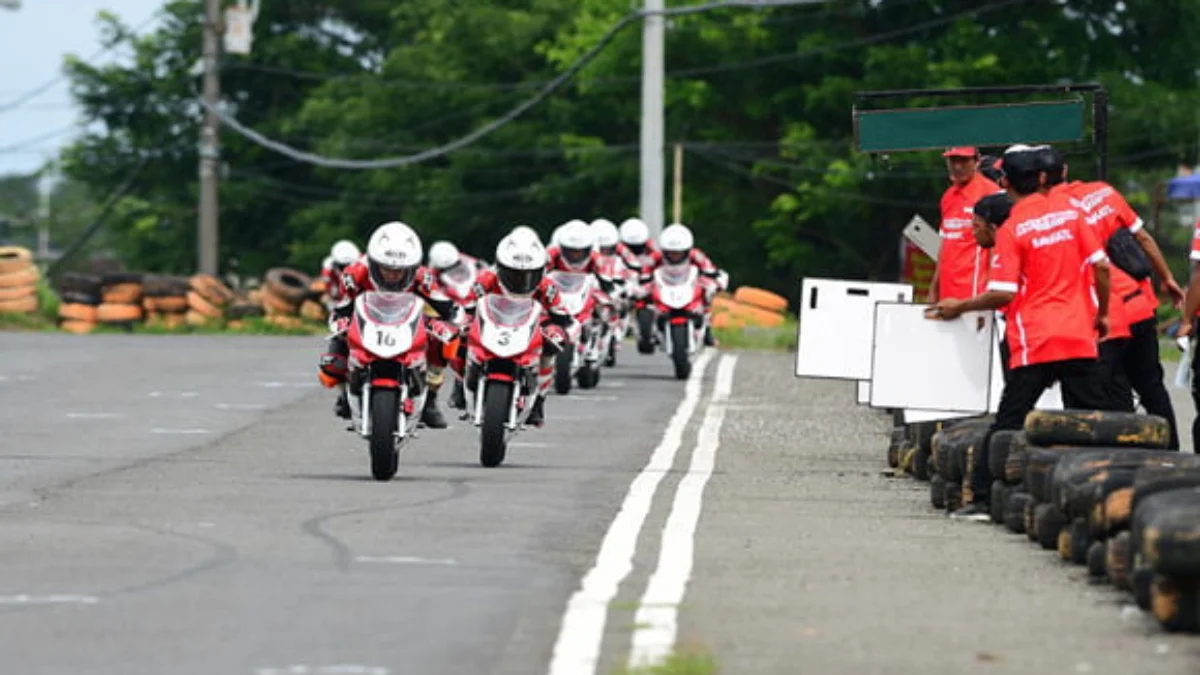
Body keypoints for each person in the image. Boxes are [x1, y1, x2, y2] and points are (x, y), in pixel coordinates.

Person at [929, 144, 1118, 520]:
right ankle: (1101, 499)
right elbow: (1102, 269)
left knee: (1009, 421)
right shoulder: (1072, 214)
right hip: (1078, 336)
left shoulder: (1013, 227)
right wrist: (1104, 315)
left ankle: (980, 500)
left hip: (1036, 342)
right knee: (1095, 420)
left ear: (1004, 181)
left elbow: (1004, 293)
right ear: (1044, 177)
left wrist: (960, 305)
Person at [1040, 147, 1184, 447]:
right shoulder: (1103, 192)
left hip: (1105, 317)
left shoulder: (1053, 213)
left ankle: (1123, 459)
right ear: (1064, 171)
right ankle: (1171, 451)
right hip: (1141, 305)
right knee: (1151, 386)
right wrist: (1168, 278)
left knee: (1112, 392)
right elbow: (1143, 238)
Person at [318, 221, 459, 430]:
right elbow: (343, 308)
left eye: (400, 270)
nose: (393, 275)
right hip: (367, 319)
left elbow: (448, 307)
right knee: (331, 363)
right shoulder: (354, 274)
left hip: (409, 319)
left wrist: (456, 324)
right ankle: (346, 392)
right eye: (386, 269)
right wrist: (339, 324)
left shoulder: (424, 277)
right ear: (374, 263)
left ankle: (429, 399)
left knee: (446, 340)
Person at [463, 227, 579, 427]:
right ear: (500, 267)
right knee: (459, 336)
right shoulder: (486, 280)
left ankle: (539, 399)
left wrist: (564, 329)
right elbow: (466, 307)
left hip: (530, 327)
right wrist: (463, 322)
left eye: (528, 275)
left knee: (554, 341)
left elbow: (562, 315)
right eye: (513, 275)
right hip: (493, 324)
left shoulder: (547, 287)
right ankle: (461, 383)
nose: (520, 281)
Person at [928, 147, 1002, 304]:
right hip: (947, 294)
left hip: (974, 294)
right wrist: (934, 288)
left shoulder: (990, 193)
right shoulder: (948, 196)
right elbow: (945, 245)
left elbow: (997, 247)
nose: (957, 166)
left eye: (963, 160)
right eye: (953, 160)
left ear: (976, 161)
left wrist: (989, 297)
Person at [639, 222, 722, 347]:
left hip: (688, 285)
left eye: (678, 253)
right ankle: (650, 332)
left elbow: (709, 268)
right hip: (665, 286)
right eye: (671, 252)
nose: (674, 256)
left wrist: (714, 279)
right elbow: (645, 271)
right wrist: (644, 283)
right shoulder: (656, 257)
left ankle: (707, 332)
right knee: (643, 299)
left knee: (708, 295)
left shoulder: (696, 255)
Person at [320, 239, 361, 307]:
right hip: (337, 301)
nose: (346, 268)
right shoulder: (328, 271)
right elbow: (329, 290)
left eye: (348, 265)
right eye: (343, 266)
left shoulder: (360, 265)